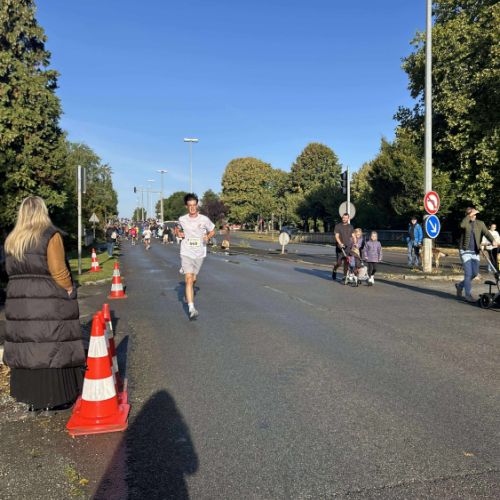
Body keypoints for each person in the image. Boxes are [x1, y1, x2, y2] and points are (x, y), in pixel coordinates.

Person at [3, 196, 85, 412]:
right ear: (43, 211)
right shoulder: (50, 235)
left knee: (27, 345)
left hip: (19, 300)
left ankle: (31, 398)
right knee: (52, 343)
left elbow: (8, 270)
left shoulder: (12, 239)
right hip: (47, 298)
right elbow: (58, 270)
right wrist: (69, 288)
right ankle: (56, 396)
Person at [175, 193, 215, 320]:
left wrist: (207, 236)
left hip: (199, 253)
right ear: (186, 206)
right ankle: (191, 308)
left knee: (193, 280)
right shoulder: (182, 219)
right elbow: (177, 229)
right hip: (186, 251)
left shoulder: (204, 219)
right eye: (190, 205)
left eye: (194, 205)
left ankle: (189, 290)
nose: (192, 208)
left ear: (197, 205)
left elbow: (212, 230)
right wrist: (178, 233)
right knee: (188, 279)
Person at [455, 207, 497, 302]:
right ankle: (468, 295)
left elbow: (487, 233)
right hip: (465, 251)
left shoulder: (480, 223)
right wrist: (469, 216)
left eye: (475, 214)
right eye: (472, 214)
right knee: (468, 274)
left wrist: (493, 240)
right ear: (468, 215)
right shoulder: (465, 222)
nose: (474, 215)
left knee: (474, 273)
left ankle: (460, 285)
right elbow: (462, 225)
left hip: (475, 252)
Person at [332, 213, 354, 281]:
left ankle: (344, 276)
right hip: (340, 247)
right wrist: (340, 243)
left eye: (346, 218)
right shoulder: (338, 226)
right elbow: (336, 236)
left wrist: (355, 243)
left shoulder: (351, 227)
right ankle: (334, 269)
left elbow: (353, 236)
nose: (344, 219)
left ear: (348, 218)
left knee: (346, 263)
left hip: (348, 247)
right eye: (343, 217)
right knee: (339, 263)